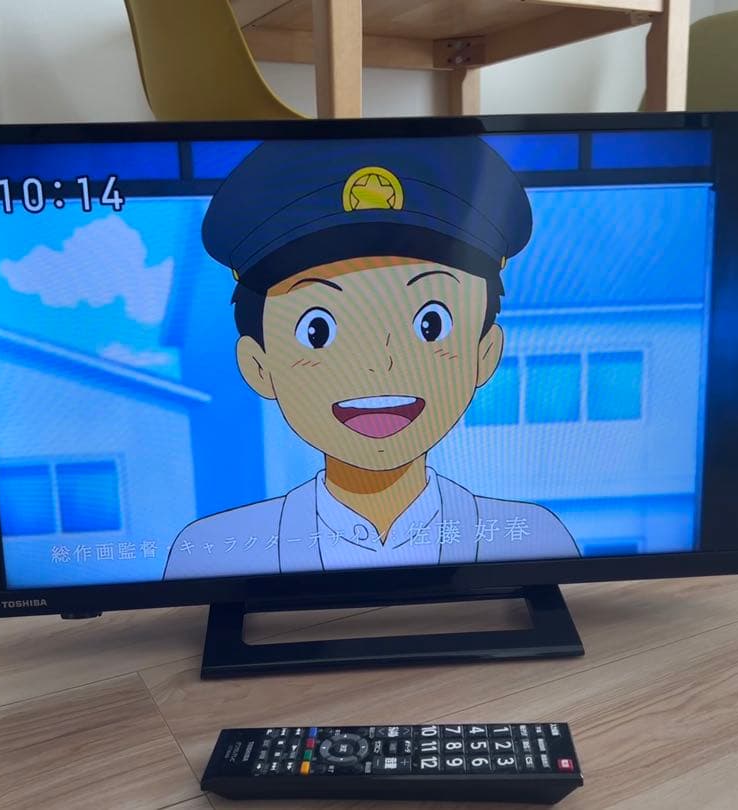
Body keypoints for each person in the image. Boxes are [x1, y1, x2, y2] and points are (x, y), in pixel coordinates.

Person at [164, 137, 577, 579]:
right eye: (318, 331)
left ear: (485, 353)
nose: (379, 364)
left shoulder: (537, 541)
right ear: (258, 365)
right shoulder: (210, 555)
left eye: (430, 324)